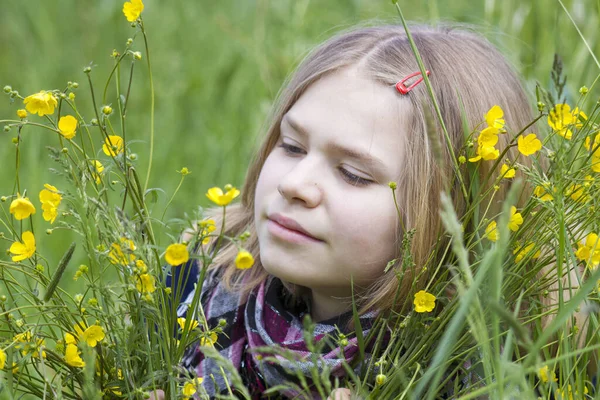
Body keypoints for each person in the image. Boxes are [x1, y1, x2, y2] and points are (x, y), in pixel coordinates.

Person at [154, 23, 535, 399]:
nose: (294, 184)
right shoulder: (197, 281)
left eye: (352, 175)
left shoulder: (484, 373)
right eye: (291, 146)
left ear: (453, 215)